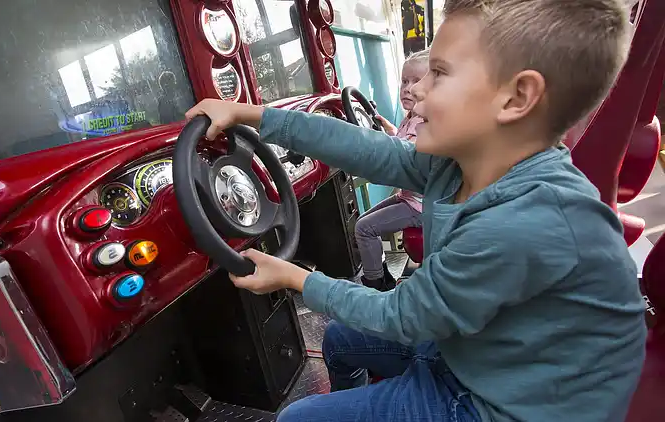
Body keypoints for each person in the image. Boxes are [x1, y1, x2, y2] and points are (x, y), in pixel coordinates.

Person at [184, 0, 646, 420]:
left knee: (295, 419)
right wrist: (255, 117)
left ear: (517, 98)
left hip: (508, 405)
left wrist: (294, 278)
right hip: (487, 355)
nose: (417, 89)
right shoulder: (457, 165)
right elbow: (374, 152)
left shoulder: (524, 223)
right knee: (341, 342)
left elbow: (402, 316)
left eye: (439, 73)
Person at [356, 49, 429, 291]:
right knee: (362, 221)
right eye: (404, 81)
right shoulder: (411, 117)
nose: (408, 88)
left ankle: (376, 285)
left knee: (364, 229)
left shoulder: (424, 123)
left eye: (416, 81)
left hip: (419, 205)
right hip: (407, 196)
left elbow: (405, 155)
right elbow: (399, 140)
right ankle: (380, 270)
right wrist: (386, 126)